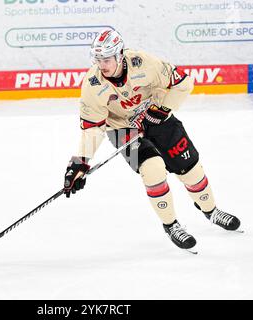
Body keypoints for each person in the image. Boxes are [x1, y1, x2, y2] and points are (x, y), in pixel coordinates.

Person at [63, 29, 241, 252]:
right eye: (98, 59)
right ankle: (171, 225)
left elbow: (183, 83)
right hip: (123, 129)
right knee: (153, 168)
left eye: (106, 59)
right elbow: (92, 128)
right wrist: (80, 162)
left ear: (120, 55)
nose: (102, 65)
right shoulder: (93, 85)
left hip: (157, 117)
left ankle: (211, 211)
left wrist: (162, 109)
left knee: (190, 169)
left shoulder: (144, 63)